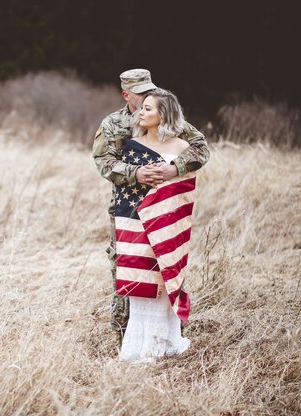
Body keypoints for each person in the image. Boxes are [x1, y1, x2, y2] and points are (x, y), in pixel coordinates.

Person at [92, 69, 209, 337]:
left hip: (164, 208)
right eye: (141, 93)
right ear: (126, 95)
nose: (147, 96)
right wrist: (135, 174)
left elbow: (200, 148)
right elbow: (103, 163)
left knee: (164, 262)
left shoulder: (163, 113)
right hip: (128, 209)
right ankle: (125, 333)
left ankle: (168, 332)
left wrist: (176, 168)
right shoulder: (112, 124)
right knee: (126, 264)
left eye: (149, 90)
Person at [114, 88, 197, 361]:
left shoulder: (183, 150)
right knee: (142, 280)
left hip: (167, 226)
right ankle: (137, 349)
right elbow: (121, 183)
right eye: (142, 107)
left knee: (162, 280)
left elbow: (185, 190)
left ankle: (160, 346)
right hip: (135, 222)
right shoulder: (132, 148)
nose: (141, 112)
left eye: (148, 109)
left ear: (164, 114)